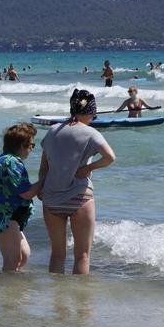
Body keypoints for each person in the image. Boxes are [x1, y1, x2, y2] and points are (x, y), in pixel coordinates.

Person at [39, 90, 116, 274]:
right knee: (82, 255)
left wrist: (41, 188)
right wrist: (88, 169)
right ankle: (81, 303)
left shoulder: (52, 130)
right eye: (93, 115)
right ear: (90, 112)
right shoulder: (91, 133)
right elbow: (110, 158)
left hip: (51, 199)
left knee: (57, 255)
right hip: (79, 198)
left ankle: (58, 301)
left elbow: (44, 166)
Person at [0, 123, 42, 272]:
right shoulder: (11, 162)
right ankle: (8, 291)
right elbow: (26, 192)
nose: (32, 149)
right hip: (2, 216)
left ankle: (12, 290)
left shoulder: (4, 160)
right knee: (13, 259)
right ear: (21, 145)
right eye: (31, 145)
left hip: (2, 214)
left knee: (23, 255)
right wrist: (44, 180)